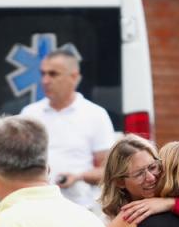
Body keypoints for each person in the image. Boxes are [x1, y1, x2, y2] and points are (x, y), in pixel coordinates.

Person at [20, 47, 116, 213]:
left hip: (79, 209)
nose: (45, 80)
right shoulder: (29, 114)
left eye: (53, 74)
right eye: (43, 74)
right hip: (36, 209)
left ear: (74, 77)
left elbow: (109, 171)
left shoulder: (95, 115)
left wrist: (78, 177)